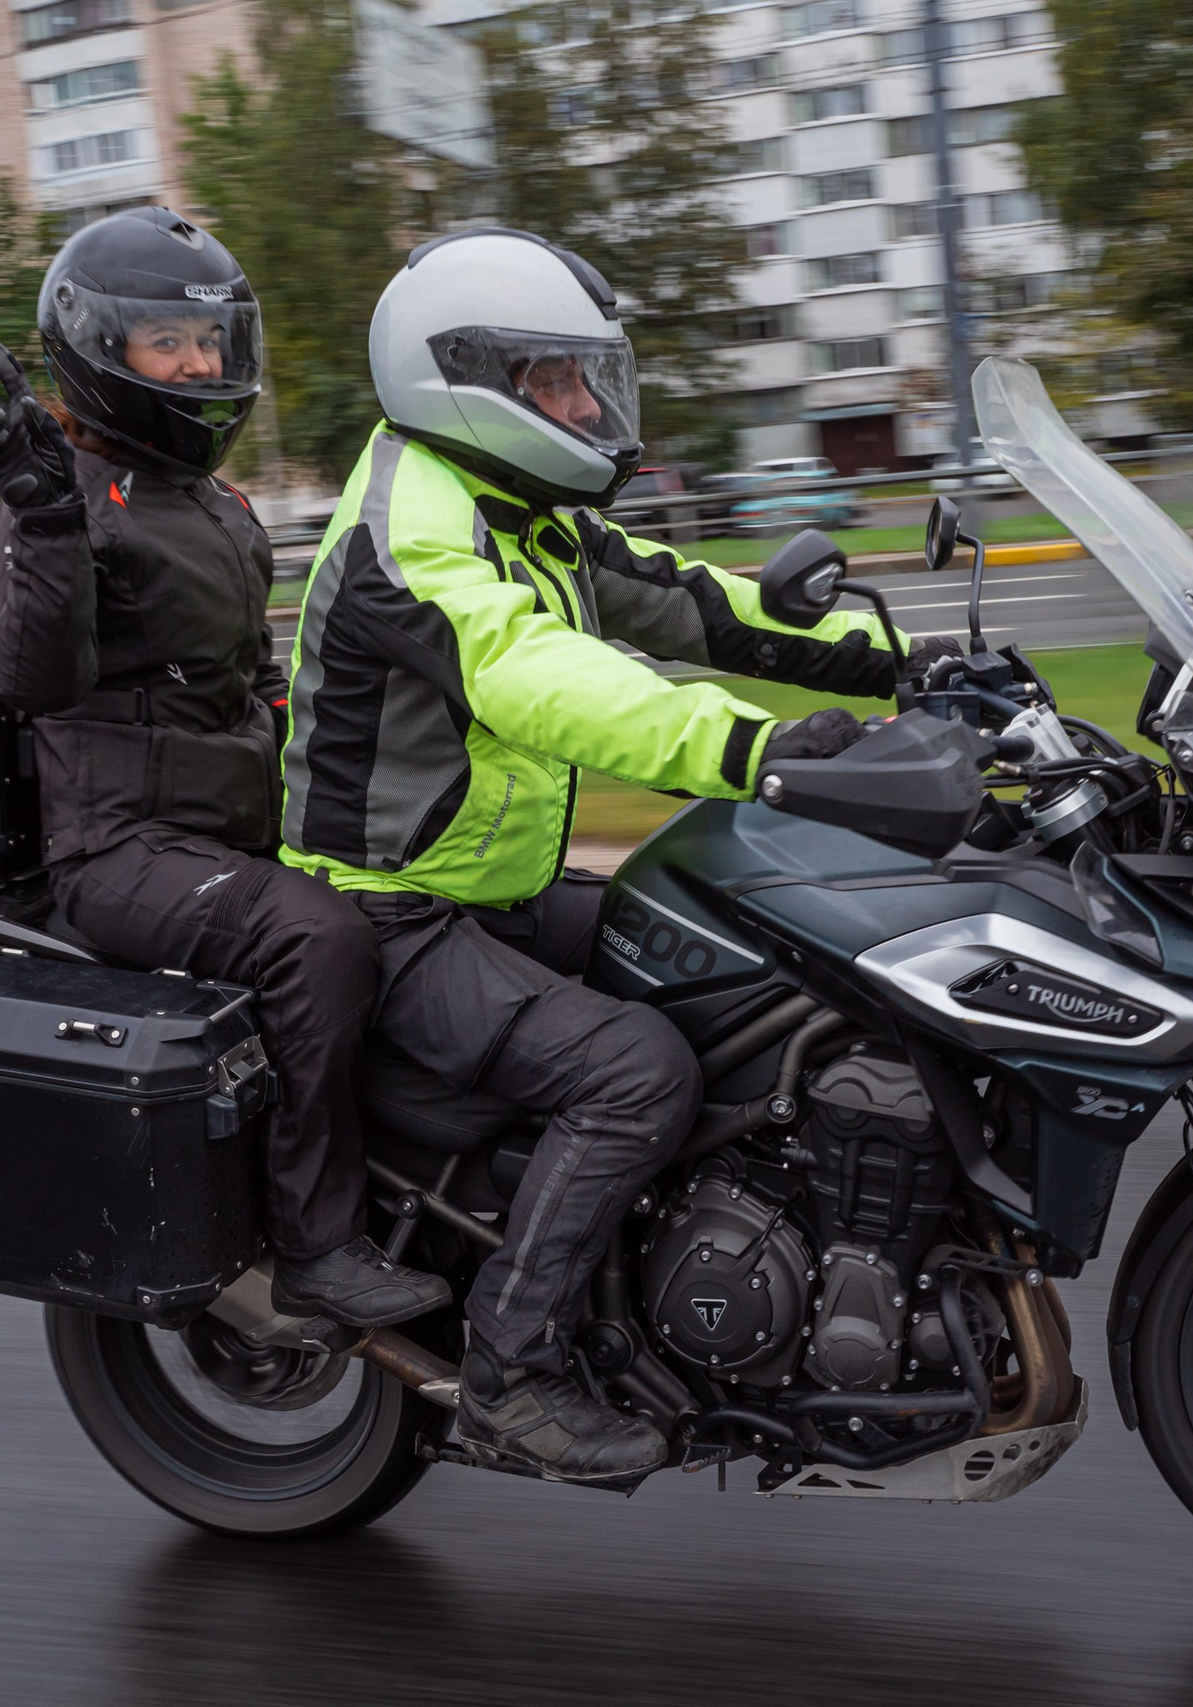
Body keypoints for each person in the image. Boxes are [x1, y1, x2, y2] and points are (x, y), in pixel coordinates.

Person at [280, 228, 957, 1482]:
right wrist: (765, 755)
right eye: (557, 383)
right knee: (636, 1070)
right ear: (463, 379)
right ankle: (511, 1372)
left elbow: (688, 599)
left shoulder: (518, 507)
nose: (588, 408)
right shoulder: (413, 538)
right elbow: (546, 680)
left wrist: (897, 663)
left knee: (759, 972)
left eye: (590, 379)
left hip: (495, 892)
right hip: (396, 919)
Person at [0, 206, 448, 1337]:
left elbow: (249, 676)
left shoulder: (217, 500)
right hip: (116, 844)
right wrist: (38, 513)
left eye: (207, 340)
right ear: (100, 351)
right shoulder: (56, 494)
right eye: (165, 342)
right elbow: (34, 676)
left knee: (423, 889)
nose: (197, 365)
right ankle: (317, 1247)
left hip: (228, 819)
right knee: (314, 939)